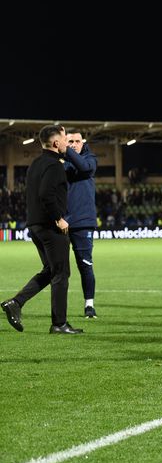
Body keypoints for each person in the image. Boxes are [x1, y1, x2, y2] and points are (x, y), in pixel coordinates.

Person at [2, 125, 83, 334]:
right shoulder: (54, 165)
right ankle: (59, 324)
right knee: (61, 273)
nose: (68, 143)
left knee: (50, 270)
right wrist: (59, 218)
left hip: (35, 225)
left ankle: (16, 303)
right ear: (56, 143)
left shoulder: (36, 164)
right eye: (65, 139)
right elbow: (46, 194)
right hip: (50, 226)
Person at [63, 128, 99, 318]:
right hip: (60, 222)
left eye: (77, 141)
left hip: (83, 222)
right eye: (70, 142)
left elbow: (83, 167)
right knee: (57, 269)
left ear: (83, 143)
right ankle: (60, 309)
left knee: (85, 265)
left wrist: (65, 149)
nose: (74, 145)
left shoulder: (91, 160)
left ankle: (89, 305)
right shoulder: (58, 163)